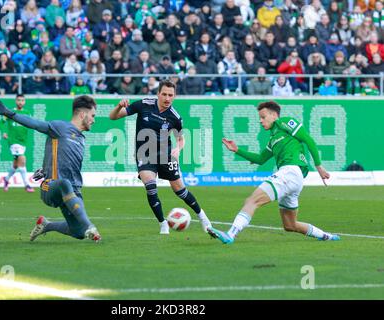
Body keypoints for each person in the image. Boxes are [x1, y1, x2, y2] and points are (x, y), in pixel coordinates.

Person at [207, 101, 340, 244]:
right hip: (294, 178)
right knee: (290, 225)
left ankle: (230, 235)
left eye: (263, 117)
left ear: (274, 115)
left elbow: (308, 140)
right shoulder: (273, 139)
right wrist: (237, 150)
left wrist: (319, 166)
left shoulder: (285, 122)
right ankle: (327, 236)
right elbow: (260, 159)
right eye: (260, 118)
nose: (260, 121)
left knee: (252, 201)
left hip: (290, 172)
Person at [0, 95, 101, 242]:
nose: (94, 120)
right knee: (65, 184)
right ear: (83, 114)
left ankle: (46, 225)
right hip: (49, 187)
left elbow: (63, 159)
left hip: (73, 189)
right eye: (93, 115)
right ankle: (90, 226)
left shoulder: (81, 138)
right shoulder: (61, 127)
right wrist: (9, 113)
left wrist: (45, 168)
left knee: (78, 232)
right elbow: (35, 124)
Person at [109, 79, 212, 235]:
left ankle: (203, 217)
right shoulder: (143, 104)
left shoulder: (175, 117)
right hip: (144, 153)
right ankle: (163, 224)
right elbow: (113, 117)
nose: (167, 98)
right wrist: (118, 106)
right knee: (150, 187)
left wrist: (178, 148)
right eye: (164, 94)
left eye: (170, 95)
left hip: (166, 155)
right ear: (158, 94)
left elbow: (180, 138)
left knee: (180, 191)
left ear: (174, 96)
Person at [0, 94, 35, 193]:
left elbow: (31, 123)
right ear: (15, 101)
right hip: (13, 141)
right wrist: (4, 132)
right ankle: (27, 185)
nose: (20, 102)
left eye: (22, 100)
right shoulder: (10, 112)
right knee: (22, 160)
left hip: (23, 142)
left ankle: (6, 179)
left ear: (25, 102)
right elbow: (1, 122)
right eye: (18, 100)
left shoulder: (27, 113)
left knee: (15, 165)